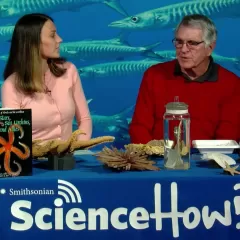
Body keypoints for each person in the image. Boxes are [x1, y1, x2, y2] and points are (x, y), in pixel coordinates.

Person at [129, 14, 240, 144]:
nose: (184, 50)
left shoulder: (232, 83)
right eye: (179, 42)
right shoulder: (154, 75)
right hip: (157, 160)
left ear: (210, 48)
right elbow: (139, 127)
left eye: (192, 43)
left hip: (209, 162)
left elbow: (227, 138)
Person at [1, 13, 92, 141]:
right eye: (52, 35)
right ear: (33, 41)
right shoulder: (11, 86)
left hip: (67, 158)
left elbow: (84, 119)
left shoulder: (69, 70)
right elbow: (13, 140)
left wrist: (76, 148)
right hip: (30, 159)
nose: (60, 39)